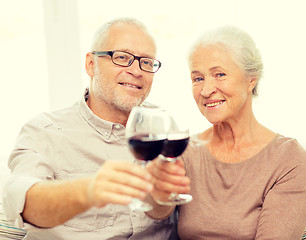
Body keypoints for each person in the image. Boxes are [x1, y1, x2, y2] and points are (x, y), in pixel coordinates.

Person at [2, 17, 189, 240]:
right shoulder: (44, 131)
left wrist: (158, 196)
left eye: (146, 62)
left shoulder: (163, 126)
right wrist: (87, 191)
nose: (136, 70)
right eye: (122, 57)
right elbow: (23, 202)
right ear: (91, 64)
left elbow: (163, 211)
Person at [148, 26, 306, 239]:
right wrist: (159, 191)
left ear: (251, 79)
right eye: (198, 79)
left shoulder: (288, 159)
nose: (206, 90)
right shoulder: (187, 150)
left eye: (219, 74)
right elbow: (158, 213)